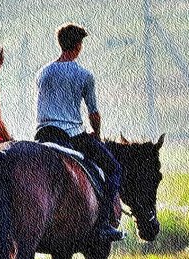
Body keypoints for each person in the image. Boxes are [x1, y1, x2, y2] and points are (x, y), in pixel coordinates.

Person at [34, 23, 124, 242]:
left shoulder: (42, 73)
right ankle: (105, 222)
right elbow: (93, 113)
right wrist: (97, 133)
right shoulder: (84, 75)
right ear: (78, 46)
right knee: (113, 168)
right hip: (71, 133)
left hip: (43, 134)